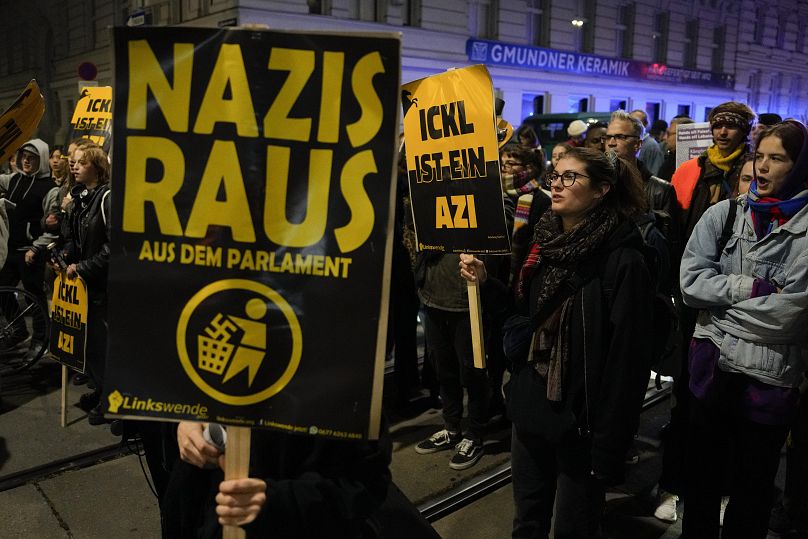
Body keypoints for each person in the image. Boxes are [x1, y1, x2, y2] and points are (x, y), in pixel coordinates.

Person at [460, 147, 654, 538]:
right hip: (530, 407)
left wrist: (609, 447)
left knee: (574, 527)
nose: (557, 185)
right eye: (555, 175)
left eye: (570, 177)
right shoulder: (543, 239)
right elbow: (523, 317)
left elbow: (626, 364)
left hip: (581, 423)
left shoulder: (624, 260)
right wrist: (486, 284)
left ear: (602, 189)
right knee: (527, 521)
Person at [679, 120, 808, 538]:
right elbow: (690, 283)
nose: (765, 167)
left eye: (779, 159)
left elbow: (793, 314)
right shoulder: (727, 213)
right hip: (712, 374)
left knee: (751, 491)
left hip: (768, 383)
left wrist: (719, 313)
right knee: (701, 483)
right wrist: (750, 288)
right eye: (761, 156)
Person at [166, 421, 393, 538]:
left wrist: (276, 501)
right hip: (212, 518)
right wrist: (189, 421)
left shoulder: (344, 371)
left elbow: (364, 485)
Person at [54, 146, 111, 425]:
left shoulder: (107, 199)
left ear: (97, 168)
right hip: (85, 286)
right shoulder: (80, 200)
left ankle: (111, 401)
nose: (74, 167)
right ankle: (101, 390)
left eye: (81, 163)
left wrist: (84, 268)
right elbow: (74, 241)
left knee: (101, 346)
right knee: (88, 345)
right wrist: (65, 258)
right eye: (73, 163)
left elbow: (113, 248)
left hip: (102, 287)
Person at [0, 139, 54, 345]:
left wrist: (36, 247)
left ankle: (41, 340)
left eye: (32, 158)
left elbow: (53, 226)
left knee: (34, 296)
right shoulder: (14, 179)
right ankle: (18, 330)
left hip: (30, 251)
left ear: (42, 160)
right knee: (2, 289)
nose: (26, 161)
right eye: (24, 156)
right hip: (11, 249)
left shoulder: (49, 188)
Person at [658, 116, 695, 182]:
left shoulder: (689, 165)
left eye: (669, 134)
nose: (664, 137)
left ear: (683, 135)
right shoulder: (670, 157)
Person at [630, 109, 664, 175]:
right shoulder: (630, 141)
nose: (633, 125)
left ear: (645, 124)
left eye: (637, 122)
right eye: (630, 122)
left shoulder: (651, 146)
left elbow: (654, 175)